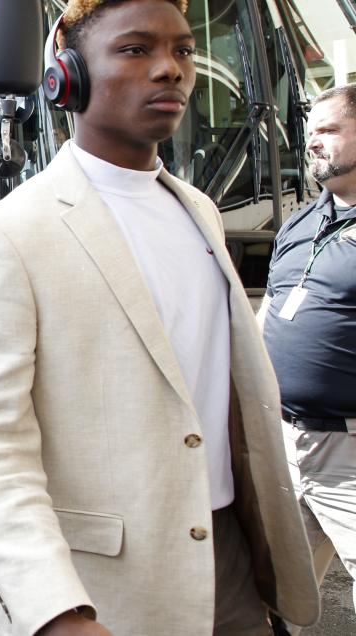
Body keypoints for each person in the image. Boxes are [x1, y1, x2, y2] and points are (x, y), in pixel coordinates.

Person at [0, 1, 319, 635]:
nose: (170, 69)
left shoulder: (196, 207)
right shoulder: (7, 233)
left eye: (183, 51)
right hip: (98, 589)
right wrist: (55, 609)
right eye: (136, 49)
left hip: (228, 564)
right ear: (68, 75)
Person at [260, 84, 356, 614]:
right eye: (309, 130)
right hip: (283, 442)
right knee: (263, 597)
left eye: (328, 130)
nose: (311, 142)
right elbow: (270, 312)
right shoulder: (299, 221)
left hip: (348, 452)